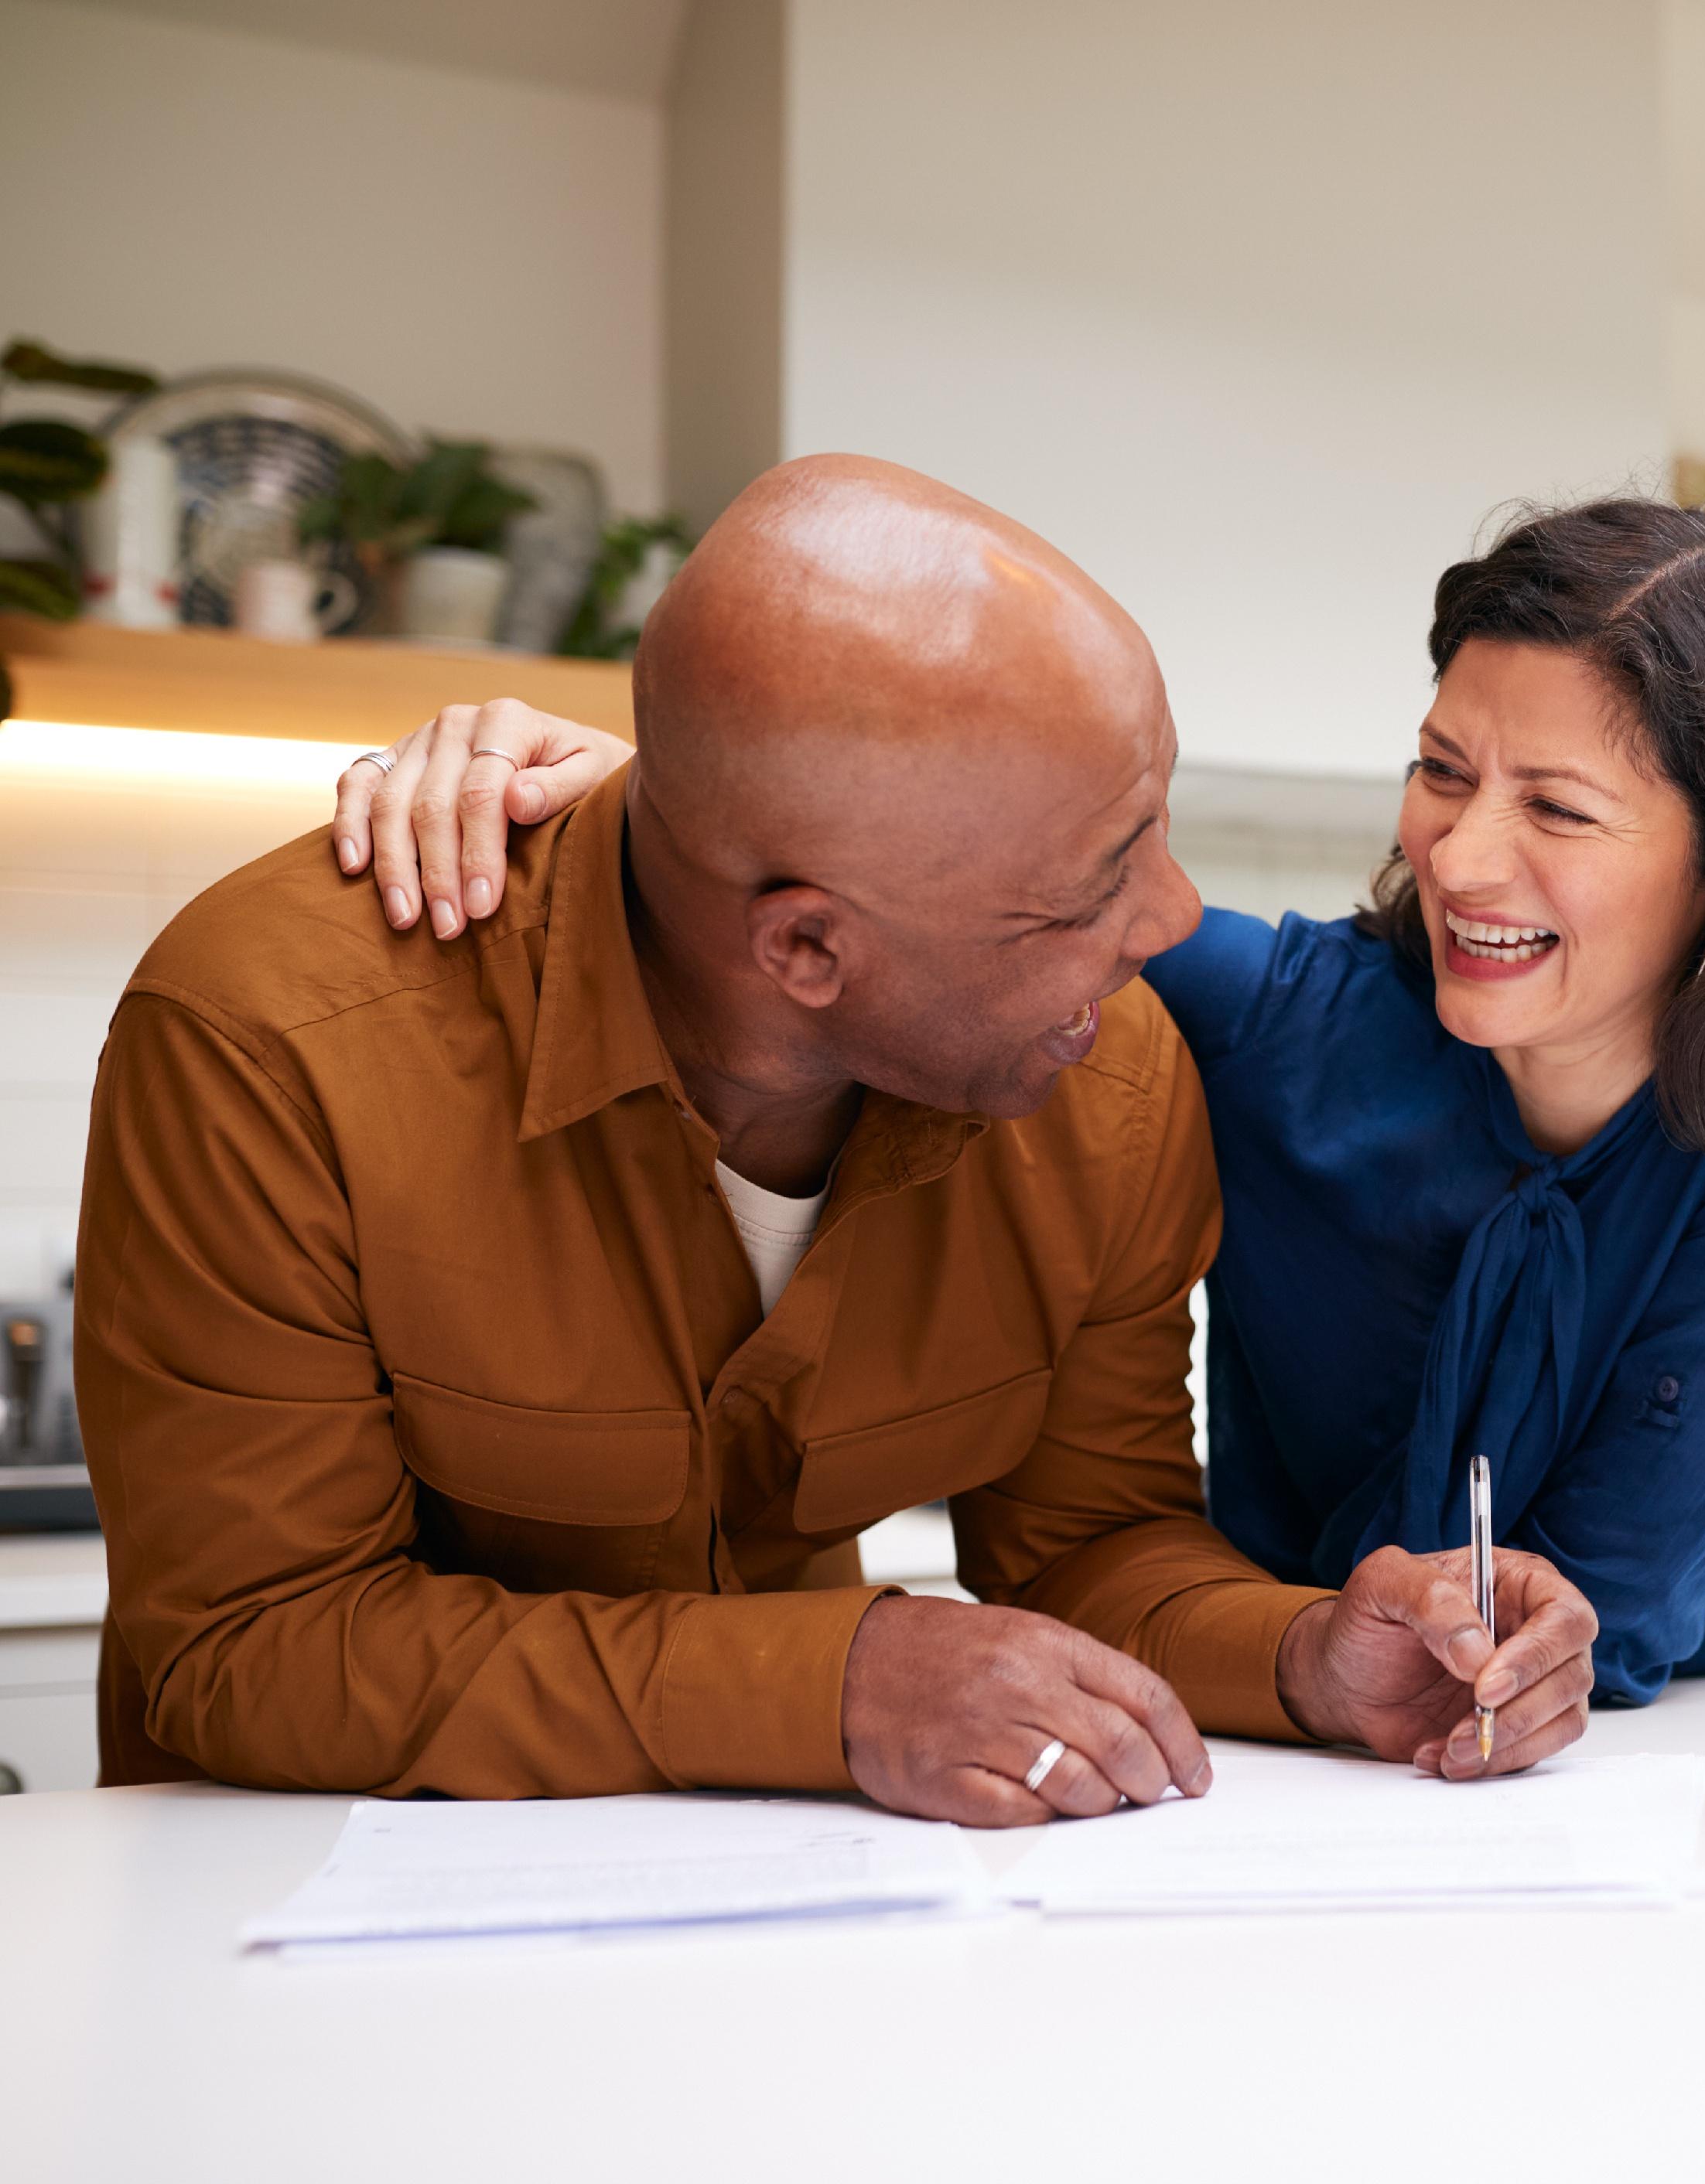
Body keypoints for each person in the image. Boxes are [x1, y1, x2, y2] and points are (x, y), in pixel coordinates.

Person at [79, 456, 1596, 1824]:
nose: (1171, 922)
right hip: (282, 1919)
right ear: (805, 950)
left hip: (787, 1913)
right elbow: (250, 1642)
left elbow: (1087, 1543)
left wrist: (1308, 1652)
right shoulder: (274, 1042)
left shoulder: (1102, 1075)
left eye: (1153, 824)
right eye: (1086, 890)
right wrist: (834, 1684)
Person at [335, 497, 1705, 1705]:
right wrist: (638, 795)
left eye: (1555, 807)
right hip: (1280, 1724)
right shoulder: (1291, 1026)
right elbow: (937, 896)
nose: (1459, 855)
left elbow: (1603, 1610)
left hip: (1636, 1767)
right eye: (1441, 771)